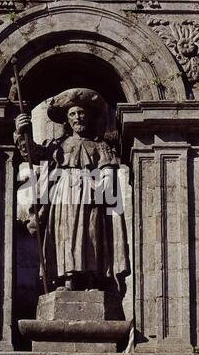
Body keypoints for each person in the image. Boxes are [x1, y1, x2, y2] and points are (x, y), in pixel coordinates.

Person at [14, 88, 129, 291]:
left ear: (89, 116)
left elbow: (109, 175)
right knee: (64, 234)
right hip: (63, 195)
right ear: (67, 120)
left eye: (81, 113)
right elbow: (32, 154)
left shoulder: (100, 146)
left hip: (92, 196)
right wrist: (23, 132)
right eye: (73, 114)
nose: (78, 117)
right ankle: (66, 279)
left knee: (91, 234)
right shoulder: (57, 145)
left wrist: (100, 185)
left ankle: (93, 280)